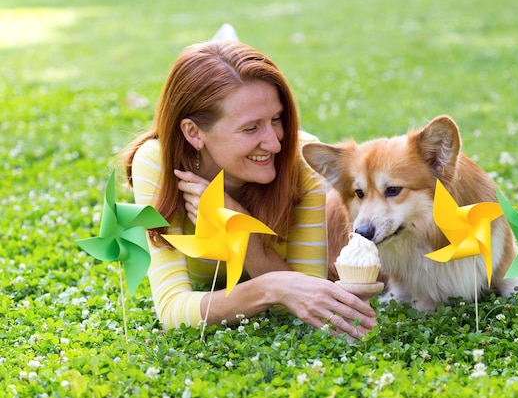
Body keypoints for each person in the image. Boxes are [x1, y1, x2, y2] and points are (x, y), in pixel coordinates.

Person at [120, 25, 376, 339]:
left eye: (276, 119)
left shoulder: (300, 163)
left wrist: (242, 232)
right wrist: (273, 286)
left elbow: (306, 298)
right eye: (251, 128)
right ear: (194, 133)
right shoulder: (158, 164)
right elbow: (173, 309)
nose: (274, 143)